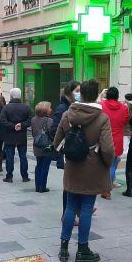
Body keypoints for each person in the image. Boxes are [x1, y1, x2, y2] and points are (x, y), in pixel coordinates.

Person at [54, 79, 115, 262]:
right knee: (86, 208)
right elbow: (108, 149)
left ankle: (64, 248)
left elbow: (57, 141)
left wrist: (68, 152)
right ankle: (83, 249)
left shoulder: (67, 114)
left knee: (71, 207)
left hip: (73, 167)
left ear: (80, 95)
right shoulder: (102, 117)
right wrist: (106, 163)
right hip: (93, 169)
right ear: (96, 95)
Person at [50, 81, 81, 215]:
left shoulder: (75, 106)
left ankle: (78, 210)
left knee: (76, 183)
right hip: (69, 152)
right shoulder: (63, 109)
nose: (80, 94)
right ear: (69, 93)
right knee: (69, 186)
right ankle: (67, 213)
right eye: (77, 91)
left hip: (76, 151)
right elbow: (54, 130)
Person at [100, 87, 130, 200]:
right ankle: (107, 189)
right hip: (117, 139)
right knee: (112, 165)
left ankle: (103, 188)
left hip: (103, 138)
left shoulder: (102, 105)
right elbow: (126, 121)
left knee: (102, 165)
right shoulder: (124, 107)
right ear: (117, 95)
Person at [0, 88, 32, 183]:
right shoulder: (26, 107)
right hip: (22, 135)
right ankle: (25, 176)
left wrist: (13, 126)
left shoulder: (6, 107)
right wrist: (21, 125)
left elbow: (2, 120)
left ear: (11, 96)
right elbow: (30, 120)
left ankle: (9, 176)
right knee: (23, 156)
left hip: (9, 135)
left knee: (10, 156)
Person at [31, 101, 53, 193]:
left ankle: (37, 186)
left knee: (38, 165)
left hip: (37, 145)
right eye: (49, 108)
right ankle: (42, 186)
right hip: (46, 146)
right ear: (45, 110)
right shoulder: (49, 121)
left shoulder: (33, 120)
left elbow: (33, 133)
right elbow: (52, 133)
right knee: (45, 166)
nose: (51, 109)